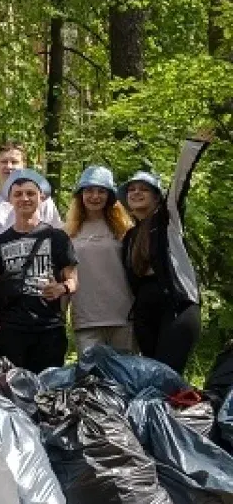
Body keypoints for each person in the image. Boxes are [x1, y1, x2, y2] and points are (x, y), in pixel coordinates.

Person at [0, 140, 62, 373]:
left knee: (41, 366)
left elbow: (59, 247)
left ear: (24, 165)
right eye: (4, 161)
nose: (9, 166)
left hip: (35, 294)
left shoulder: (44, 202)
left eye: (14, 161)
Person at [120, 133, 210, 374]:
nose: (136, 193)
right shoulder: (129, 237)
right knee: (152, 376)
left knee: (167, 375)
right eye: (131, 190)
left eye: (144, 190)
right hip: (145, 312)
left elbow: (180, 184)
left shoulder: (167, 222)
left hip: (177, 306)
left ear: (157, 197)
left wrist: (192, 146)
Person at [0, 170, 79, 373]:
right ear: (10, 200)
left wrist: (61, 289)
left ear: (41, 197)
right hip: (11, 330)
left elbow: (73, 280)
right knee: (14, 392)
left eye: (30, 193)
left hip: (49, 329)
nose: (24, 198)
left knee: (48, 391)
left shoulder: (57, 237)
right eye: (18, 194)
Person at [64, 166, 136, 354]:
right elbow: (65, 277)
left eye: (101, 191)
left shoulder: (125, 229)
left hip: (123, 316)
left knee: (124, 377)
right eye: (89, 191)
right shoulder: (68, 233)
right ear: (80, 195)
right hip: (86, 318)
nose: (95, 196)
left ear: (110, 196)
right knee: (92, 379)